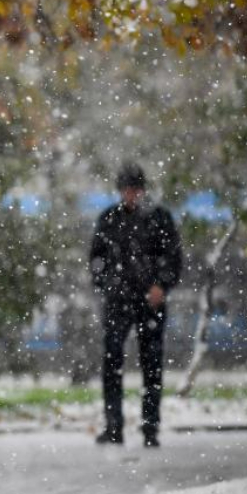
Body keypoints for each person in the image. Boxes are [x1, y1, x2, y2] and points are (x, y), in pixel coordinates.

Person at [90, 162, 183, 447]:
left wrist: (161, 285)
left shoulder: (159, 219)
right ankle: (114, 425)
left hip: (149, 302)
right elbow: (96, 259)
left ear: (142, 190)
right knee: (112, 361)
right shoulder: (109, 219)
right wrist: (108, 285)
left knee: (152, 364)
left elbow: (173, 257)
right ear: (120, 191)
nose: (131, 195)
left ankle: (150, 427)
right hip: (118, 300)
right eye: (127, 190)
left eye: (135, 190)